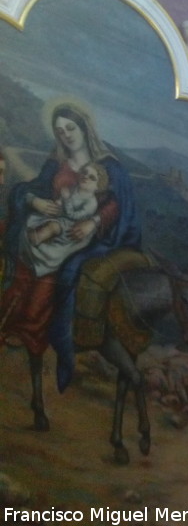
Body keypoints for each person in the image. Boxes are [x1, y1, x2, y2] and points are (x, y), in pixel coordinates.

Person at [1, 101, 140, 395]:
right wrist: (34, 201)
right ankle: (14, 324)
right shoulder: (57, 162)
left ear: (84, 127)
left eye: (70, 127)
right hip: (53, 227)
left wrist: (95, 222)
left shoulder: (109, 166)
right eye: (59, 130)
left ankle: (59, 341)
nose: (65, 134)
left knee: (66, 274)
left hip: (85, 237)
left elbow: (120, 205)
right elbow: (35, 188)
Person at [23, 162, 108, 277]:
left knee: (53, 226)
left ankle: (36, 239)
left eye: (92, 178)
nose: (86, 177)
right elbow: (61, 202)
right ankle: (32, 240)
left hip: (72, 226)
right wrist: (58, 203)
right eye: (84, 173)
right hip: (62, 218)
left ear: (98, 186)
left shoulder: (91, 202)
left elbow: (75, 216)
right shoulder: (73, 189)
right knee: (44, 220)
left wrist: (66, 199)